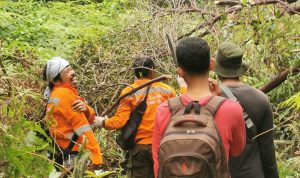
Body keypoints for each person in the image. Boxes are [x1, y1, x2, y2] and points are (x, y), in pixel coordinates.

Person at [152, 37, 246, 178]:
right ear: (212, 64)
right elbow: (237, 151)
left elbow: (158, 167)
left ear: (180, 72)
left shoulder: (164, 110)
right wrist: (217, 100)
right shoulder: (231, 109)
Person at [94, 56, 176, 178]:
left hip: (141, 148)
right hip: (164, 146)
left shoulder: (129, 92)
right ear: (152, 70)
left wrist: (102, 122)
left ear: (136, 72)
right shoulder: (168, 90)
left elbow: (119, 122)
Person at [214, 42, 279, 178]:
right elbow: (267, 149)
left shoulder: (211, 100)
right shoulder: (261, 99)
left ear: (217, 69)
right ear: (240, 69)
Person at [43, 57, 103, 169]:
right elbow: (83, 128)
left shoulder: (60, 93)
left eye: (71, 69)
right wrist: (96, 156)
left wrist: (85, 109)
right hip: (76, 156)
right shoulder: (64, 95)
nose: (73, 72)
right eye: (67, 71)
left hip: (70, 153)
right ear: (55, 80)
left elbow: (91, 118)